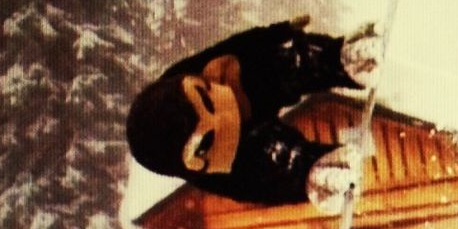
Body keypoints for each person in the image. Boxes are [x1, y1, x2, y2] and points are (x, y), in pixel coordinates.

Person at [125, 15, 384, 211]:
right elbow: (260, 187)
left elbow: (244, 44)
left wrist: (281, 35)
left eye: (206, 98)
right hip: (239, 148)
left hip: (243, 84)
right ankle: (314, 168)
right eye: (205, 139)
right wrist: (307, 182)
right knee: (269, 162)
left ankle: (338, 61)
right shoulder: (223, 174)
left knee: (278, 63)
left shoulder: (212, 68)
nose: (224, 115)